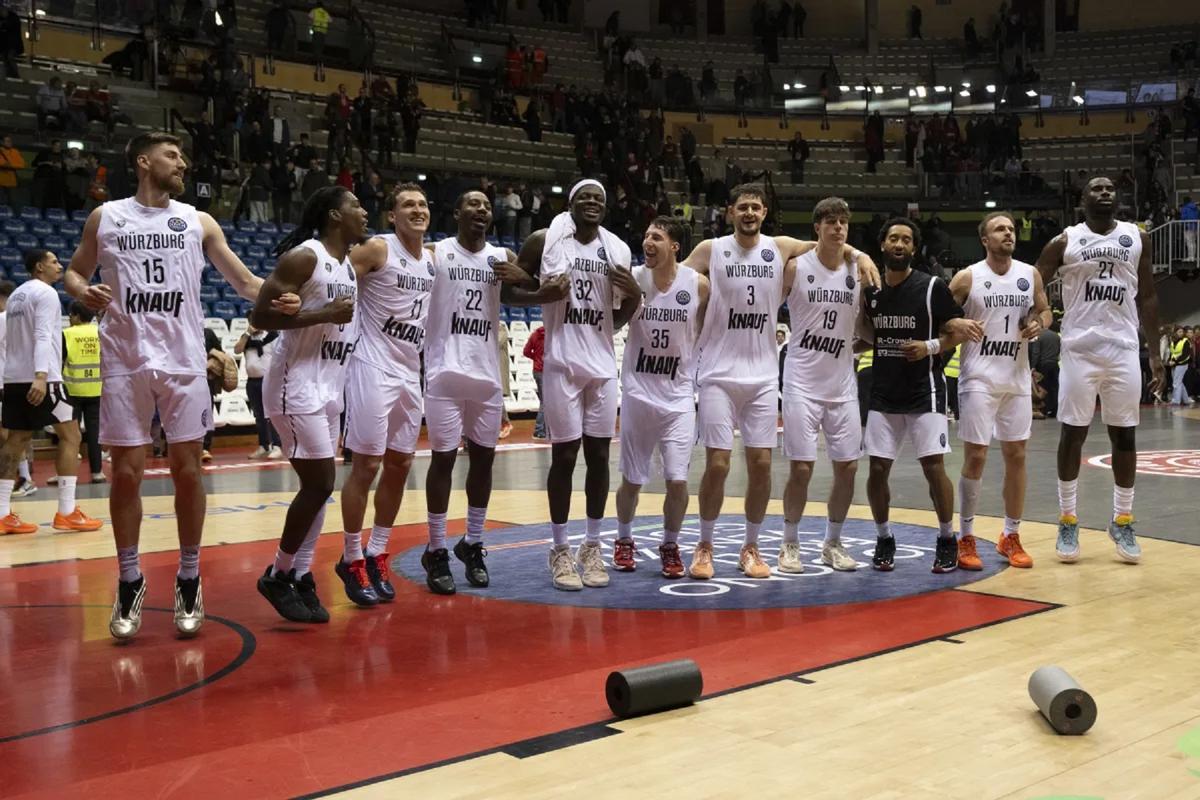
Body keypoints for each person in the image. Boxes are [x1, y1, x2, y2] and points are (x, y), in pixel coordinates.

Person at [64, 132, 300, 641]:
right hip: (125, 359)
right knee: (125, 474)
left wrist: (281, 296)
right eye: (174, 156)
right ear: (143, 161)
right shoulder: (105, 218)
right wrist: (87, 291)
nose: (184, 164)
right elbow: (74, 273)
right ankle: (129, 578)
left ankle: (189, 576)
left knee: (188, 469)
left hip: (184, 361)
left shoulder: (198, 221)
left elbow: (243, 281)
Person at [676, 184, 877, 580]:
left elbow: (830, 244)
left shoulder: (781, 247)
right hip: (717, 372)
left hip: (764, 375)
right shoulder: (709, 250)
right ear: (730, 212)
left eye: (756, 207)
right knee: (717, 465)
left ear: (764, 211)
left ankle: (750, 547)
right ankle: (704, 544)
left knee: (762, 465)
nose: (749, 213)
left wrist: (861, 252)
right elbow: (674, 282)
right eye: (742, 207)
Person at [508, 179, 641, 591]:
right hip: (561, 362)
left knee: (600, 456)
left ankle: (592, 545)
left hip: (600, 363)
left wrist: (629, 304)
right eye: (584, 196)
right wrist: (542, 296)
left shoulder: (617, 248)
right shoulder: (544, 239)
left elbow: (629, 304)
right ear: (569, 203)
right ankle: (560, 548)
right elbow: (511, 290)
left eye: (599, 198)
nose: (591, 202)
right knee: (565, 457)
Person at [1037, 176, 1163, 564]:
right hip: (1078, 349)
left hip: (1123, 349)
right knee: (1072, 434)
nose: (1105, 192)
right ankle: (1068, 519)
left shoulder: (1136, 237)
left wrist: (1155, 352)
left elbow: (1149, 295)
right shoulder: (1064, 241)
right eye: (1096, 188)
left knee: (1124, 437)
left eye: (1110, 188)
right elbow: (1033, 281)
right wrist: (1033, 316)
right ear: (1082, 199)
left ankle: (1122, 520)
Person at [253, 186, 364, 622]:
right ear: (336, 215)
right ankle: (278, 574)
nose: (364, 212)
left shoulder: (346, 266)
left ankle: (300, 574)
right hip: (294, 385)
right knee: (318, 484)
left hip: (329, 386)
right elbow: (259, 318)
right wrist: (322, 315)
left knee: (320, 489)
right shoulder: (305, 257)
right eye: (356, 206)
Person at [421, 190, 532, 594]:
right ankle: (435, 549)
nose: (481, 210)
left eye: (486, 205)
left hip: (485, 376)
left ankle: (473, 542)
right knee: (443, 462)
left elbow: (530, 289)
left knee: (484, 463)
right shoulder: (437, 253)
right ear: (456, 212)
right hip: (444, 374)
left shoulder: (502, 257)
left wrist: (527, 277)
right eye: (472, 204)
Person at [860, 218, 981, 573]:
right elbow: (867, 335)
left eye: (906, 240)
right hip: (883, 390)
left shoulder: (931, 287)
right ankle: (884, 536)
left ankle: (947, 538)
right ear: (882, 244)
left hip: (924, 390)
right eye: (893, 238)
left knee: (933, 467)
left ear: (914, 248)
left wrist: (929, 346)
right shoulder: (872, 292)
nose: (899, 245)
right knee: (878, 467)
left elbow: (958, 330)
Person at [335, 183, 434, 607]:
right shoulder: (378, 249)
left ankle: (377, 550)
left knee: (401, 464)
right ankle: (351, 556)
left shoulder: (432, 260)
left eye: (423, 204)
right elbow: (333, 275)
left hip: (411, 371)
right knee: (367, 465)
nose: (417, 209)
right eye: (407, 205)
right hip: (371, 366)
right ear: (392, 216)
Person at [948, 212, 1052, 572]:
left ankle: (1011, 534)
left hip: (1017, 378)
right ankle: (966, 536)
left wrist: (1040, 322)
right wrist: (955, 322)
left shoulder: (1029, 273)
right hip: (979, 376)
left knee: (1017, 455)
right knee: (976, 456)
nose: (1008, 233)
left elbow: (1045, 309)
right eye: (999, 229)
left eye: (1010, 229)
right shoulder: (968, 277)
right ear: (984, 239)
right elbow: (939, 313)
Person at [613, 216, 709, 578]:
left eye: (657, 236)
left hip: (679, 396)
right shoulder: (633, 279)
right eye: (646, 235)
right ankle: (623, 539)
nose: (647, 242)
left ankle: (670, 544)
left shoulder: (698, 286)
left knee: (678, 480)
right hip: (639, 393)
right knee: (633, 479)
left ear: (674, 247)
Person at [779, 198, 865, 574]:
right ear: (817, 228)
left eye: (844, 221)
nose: (838, 228)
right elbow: (765, 308)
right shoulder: (796, 267)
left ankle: (832, 542)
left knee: (847, 468)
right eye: (831, 221)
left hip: (843, 383)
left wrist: (858, 346)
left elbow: (863, 327)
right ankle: (790, 543)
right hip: (801, 382)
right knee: (802, 468)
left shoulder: (858, 270)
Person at [0, 249, 103, 535]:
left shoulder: (18, 295)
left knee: (16, 440)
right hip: (43, 379)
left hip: (14, 379)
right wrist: (42, 376)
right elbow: (44, 335)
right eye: (54, 261)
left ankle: (2, 514)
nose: (60, 265)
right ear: (39, 267)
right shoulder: (45, 294)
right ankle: (67, 512)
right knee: (72, 436)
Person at [62, 302, 105, 482]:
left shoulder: (67, 334)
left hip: (72, 390)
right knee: (94, 433)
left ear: (78, 316)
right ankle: (97, 472)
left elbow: (59, 361)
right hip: (96, 389)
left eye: (71, 315)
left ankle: (66, 475)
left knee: (69, 436)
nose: (70, 319)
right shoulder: (100, 333)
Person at [233, 325, 282, 459]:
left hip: (268, 381)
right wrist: (247, 333)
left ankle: (277, 445)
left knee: (271, 415)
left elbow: (280, 356)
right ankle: (264, 445)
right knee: (259, 416)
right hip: (252, 382)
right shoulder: (247, 339)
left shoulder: (272, 336)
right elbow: (237, 350)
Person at [523, 322, 547, 440]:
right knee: (545, 402)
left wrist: (536, 359)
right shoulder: (553, 335)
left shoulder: (535, 335)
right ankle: (539, 430)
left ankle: (543, 429)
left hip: (537, 371)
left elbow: (526, 352)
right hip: (548, 372)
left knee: (545, 401)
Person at [1169, 326, 1193, 405]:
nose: (1181, 333)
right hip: (1174, 365)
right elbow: (1172, 353)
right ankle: (1186, 399)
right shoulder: (1173, 341)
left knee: (1176, 383)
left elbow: (1185, 355)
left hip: (1182, 364)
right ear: (1175, 332)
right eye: (1179, 332)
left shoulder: (1185, 341)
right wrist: (1170, 360)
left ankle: (1176, 400)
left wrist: (1175, 361)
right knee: (1179, 382)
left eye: (1182, 332)